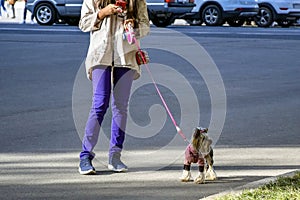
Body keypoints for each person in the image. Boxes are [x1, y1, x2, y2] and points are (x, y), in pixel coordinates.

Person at [78, 0, 150, 175]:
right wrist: (102, 13)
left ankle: (115, 156)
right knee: (100, 103)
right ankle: (85, 156)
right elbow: (83, 23)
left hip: (126, 56)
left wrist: (133, 26)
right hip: (100, 54)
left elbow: (145, 26)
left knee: (121, 106)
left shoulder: (137, 1)